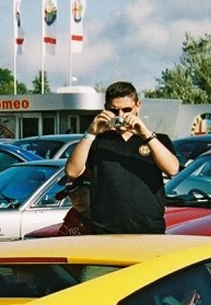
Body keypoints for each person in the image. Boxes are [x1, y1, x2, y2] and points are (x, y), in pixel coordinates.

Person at [64, 81, 179, 234]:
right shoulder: (98, 141)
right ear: (106, 109)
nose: (121, 116)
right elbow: (72, 171)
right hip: (105, 231)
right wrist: (91, 132)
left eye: (127, 110)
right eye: (114, 110)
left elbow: (172, 169)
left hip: (149, 229)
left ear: (138, 106)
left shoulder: (158, 140)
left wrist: (145, 134)